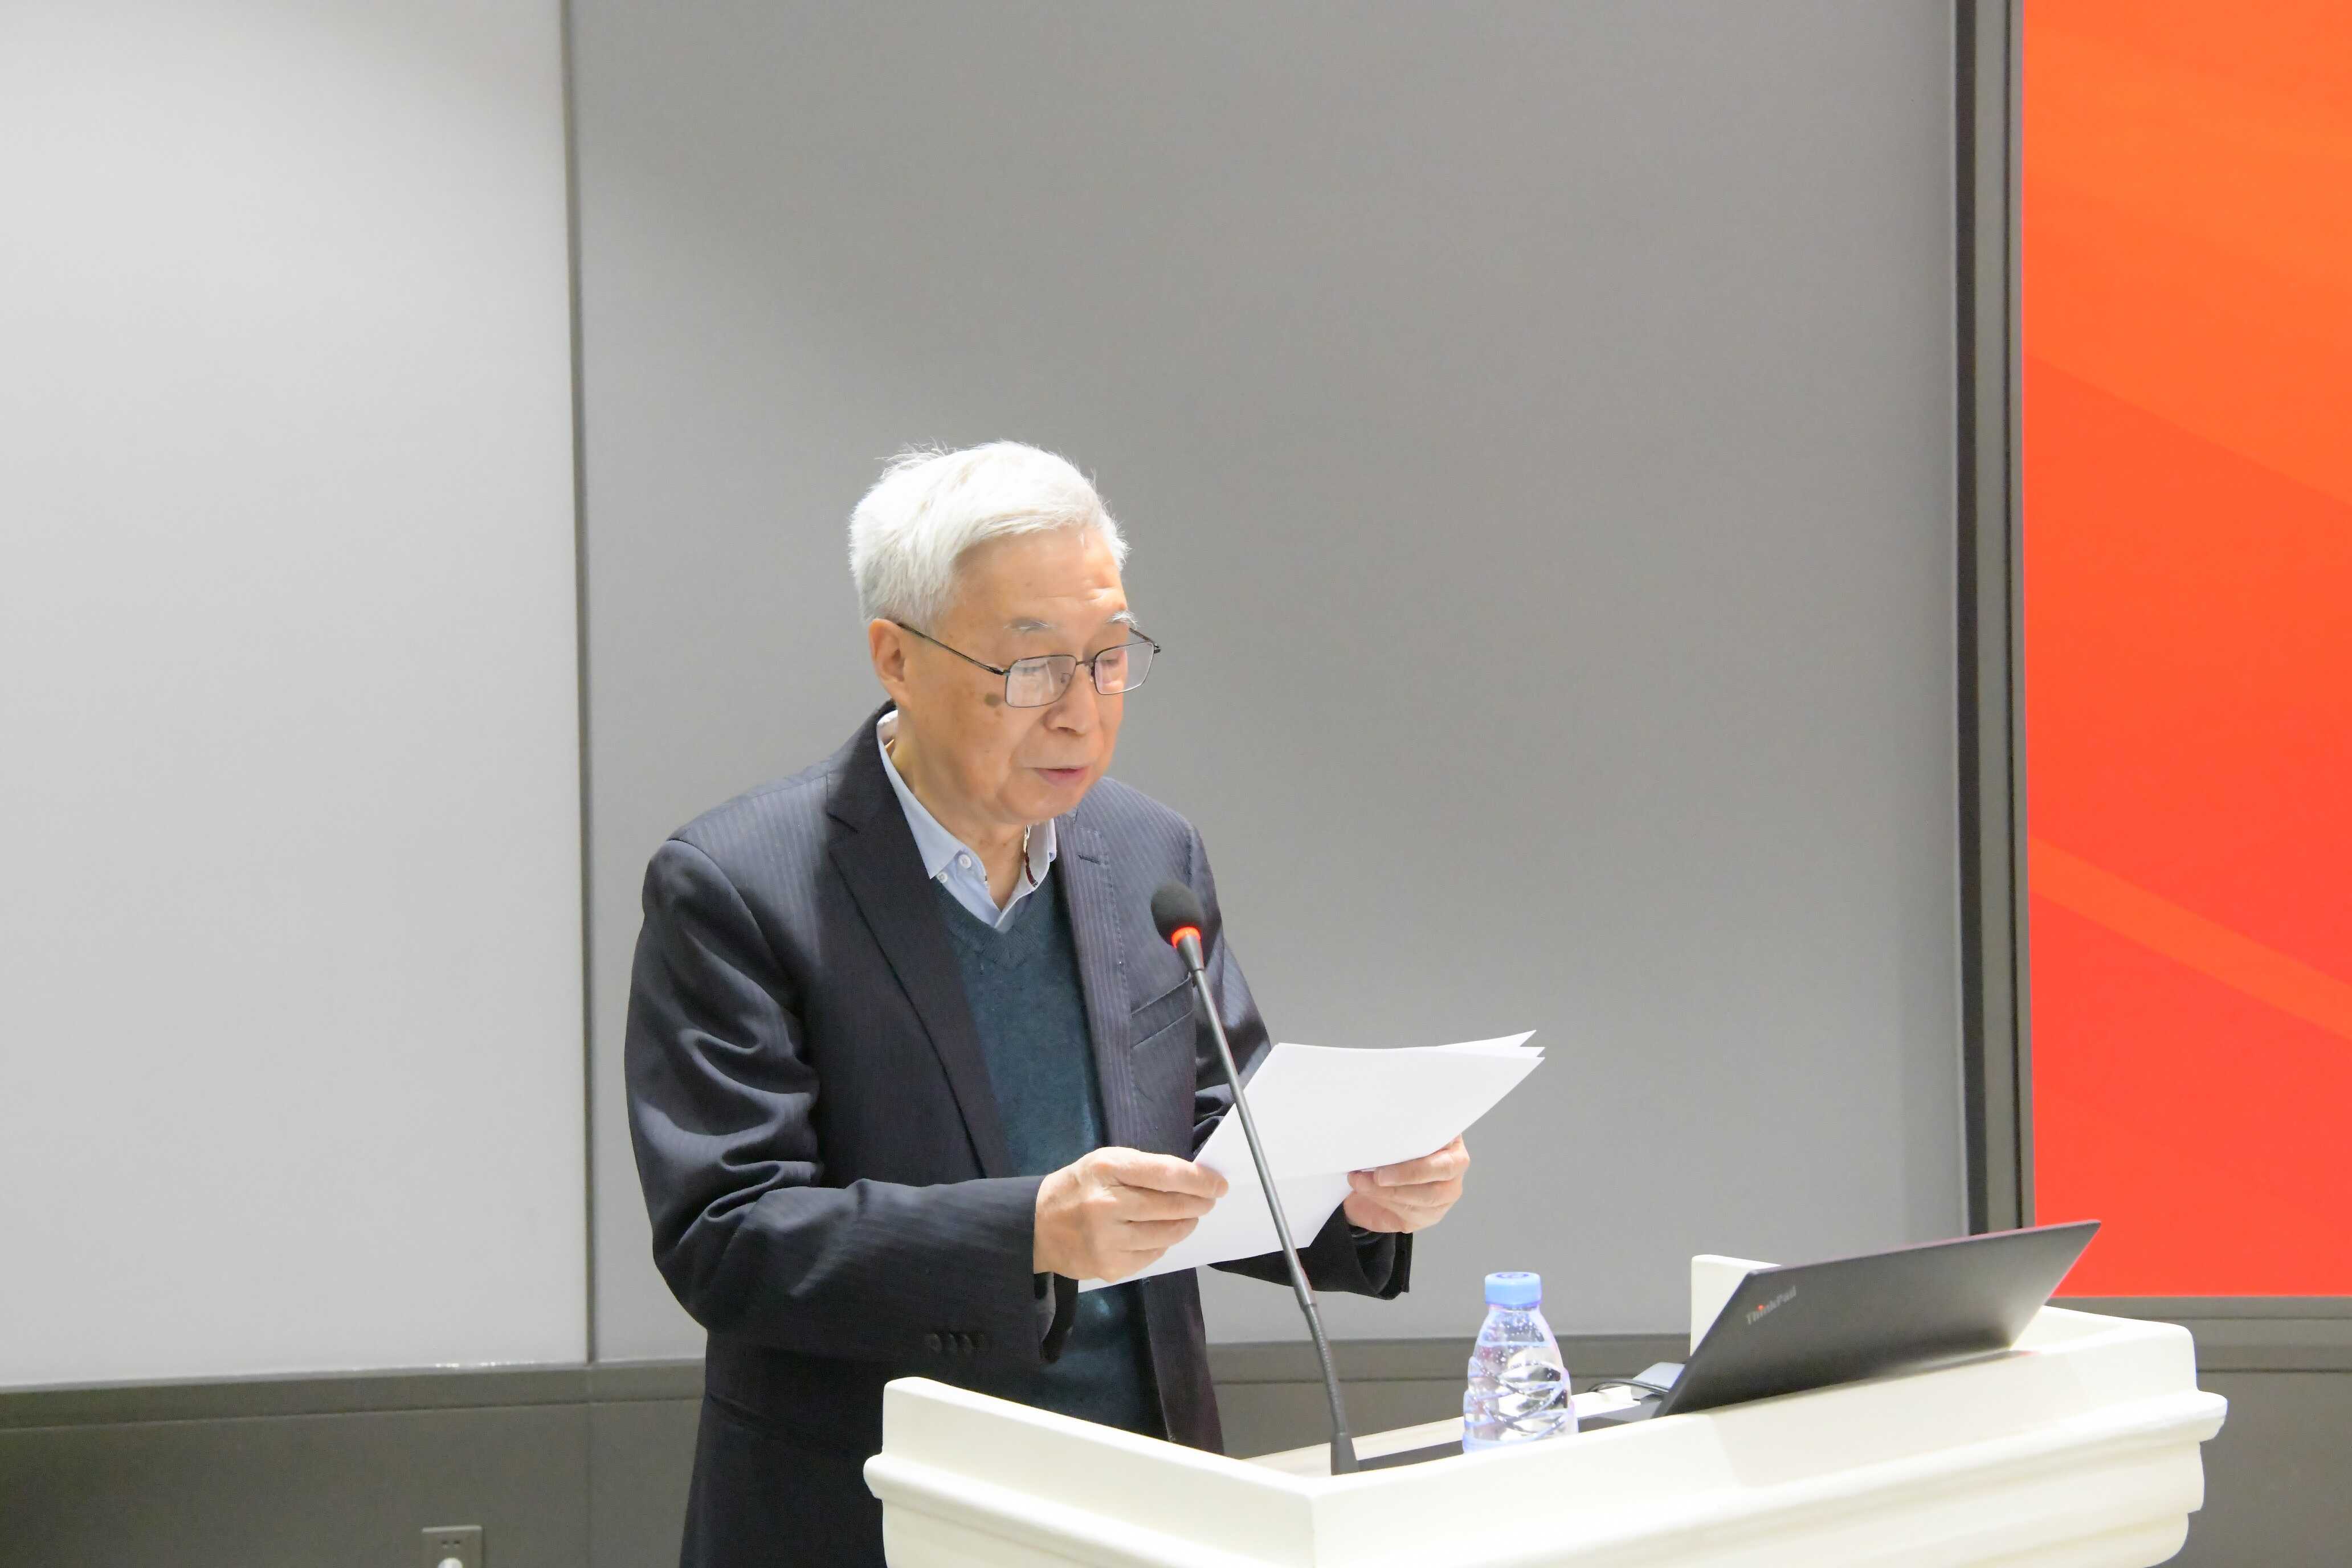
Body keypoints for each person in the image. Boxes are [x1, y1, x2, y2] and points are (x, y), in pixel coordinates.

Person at [624, 442, 1471, 1567]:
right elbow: (727, 1235)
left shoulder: (1149, 851)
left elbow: (1214, 1135)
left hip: (1143, 1496)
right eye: (1031, 668)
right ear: (896, 656)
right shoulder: (743, 884)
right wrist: (1028, 1232)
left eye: (1110, 658)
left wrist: (1362, 1192)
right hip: (875, 1508)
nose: (1081, 712)